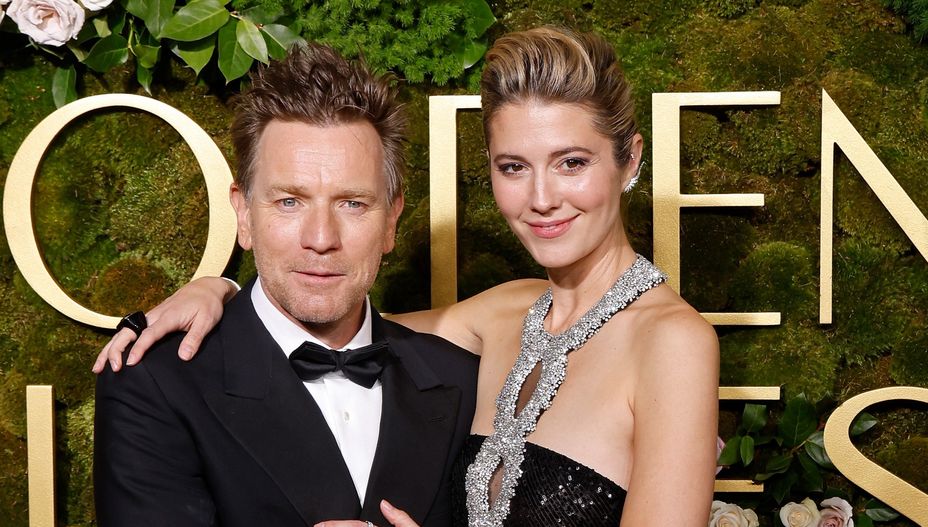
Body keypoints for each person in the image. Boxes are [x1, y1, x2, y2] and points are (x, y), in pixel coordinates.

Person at [96, 27, 719, 526]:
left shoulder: (674, 342)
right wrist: (221, 289)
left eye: (572, 163)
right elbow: (329, 314)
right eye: (512, 167)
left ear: (630, 159)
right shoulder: (503, 315)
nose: (541, 198)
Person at [93, 42, 479, 527]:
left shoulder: (463, 380)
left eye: (352, 203)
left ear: (391, 221)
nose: (321, 239)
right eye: (290, 202)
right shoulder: (154, 381)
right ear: (243, 214)